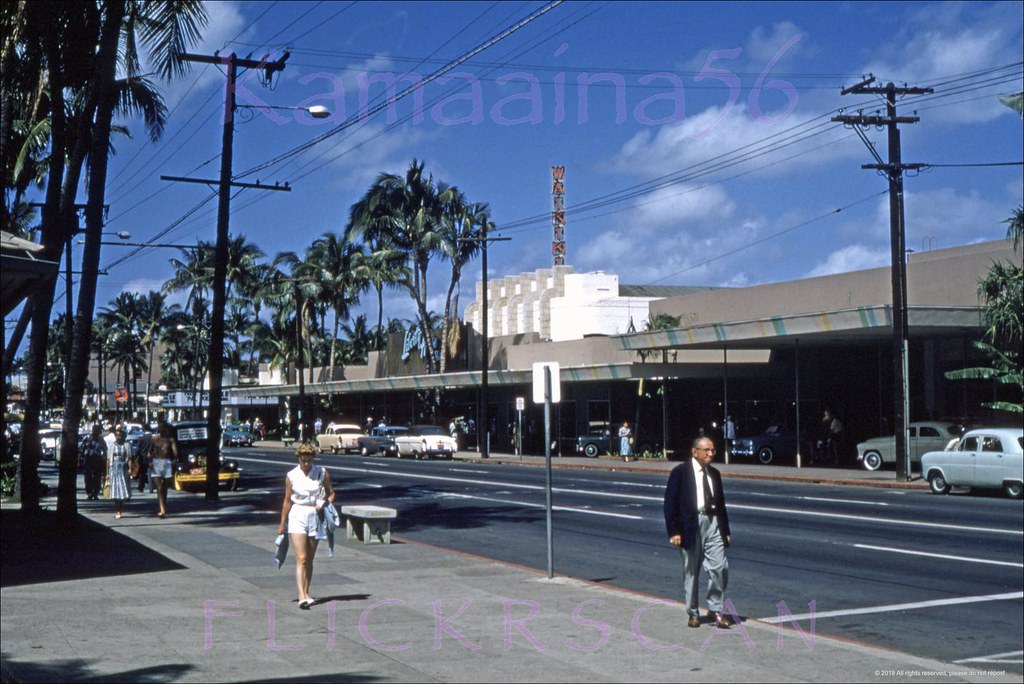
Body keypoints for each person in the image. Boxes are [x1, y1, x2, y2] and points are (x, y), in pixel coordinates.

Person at [663, 436, 733, 629]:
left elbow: (721, 505)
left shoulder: (715, 474)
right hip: (691, 524)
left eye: (712, 450)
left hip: (713, 523)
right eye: (706, 450)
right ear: (695, 452)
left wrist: (725, 530)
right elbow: (670, 504)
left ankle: (715, 609)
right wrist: (674, 531)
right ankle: (693, 613)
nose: (711, 454)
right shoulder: (680, 472)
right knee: (692, 571)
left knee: (720, 568)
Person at [278, 443, 336, 609]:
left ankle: (307, 591)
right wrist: (282, 523)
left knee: (309, 558)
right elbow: (287, 501)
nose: (306, 464)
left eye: (309, 461)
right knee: (301, 558)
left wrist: (324, 503)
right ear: (299, 459)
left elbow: (331, 493)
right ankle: (301, 595)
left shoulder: (321, 473)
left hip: (315, 515)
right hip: (297, 514)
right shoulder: (291, 475)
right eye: (304, 461)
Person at [148, 421, 178, 518]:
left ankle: (163, 503)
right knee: (159, 487)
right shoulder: (154, 439)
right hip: (157, 463)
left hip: (166, 463)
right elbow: (149, 452)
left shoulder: (170, 440)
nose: (162, 432)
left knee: (164, 487)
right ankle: (162, 509)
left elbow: (175, 452)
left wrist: (174, 459)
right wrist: (150, 460)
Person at [107, 427, 132, 519]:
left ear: (123, 436)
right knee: (115, 492)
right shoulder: (112, 446)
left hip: (123, 468)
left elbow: (129, 458)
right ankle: (117, 510)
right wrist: (107, 473)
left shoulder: (126, 445)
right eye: (117, 435)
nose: (118, 437)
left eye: (120, 436)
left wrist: (130, 468)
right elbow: (108, 459)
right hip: (114, 469)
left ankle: (120, 509)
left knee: (122, 491)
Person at [81, 424, 108, 501]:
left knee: (97, 476)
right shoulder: (87, 438)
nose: (97, 432)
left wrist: (104, 458)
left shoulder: (101, 439)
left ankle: (95, 493)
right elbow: (82, 449)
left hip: (97, 459)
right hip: (88, 459)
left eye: (98, 431)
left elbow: (105, 449)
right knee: (88, 476)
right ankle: (89, 493)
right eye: (95, 430)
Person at [133, 424, 153, 493]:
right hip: (151, 458)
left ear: (144, 430)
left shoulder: (141, 438)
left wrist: (135, 457)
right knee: (151, 472)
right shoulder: (153, 438)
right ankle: (151, 487)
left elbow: (138, 449)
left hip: (143, 458)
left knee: (142, 473)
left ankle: (141, 487)